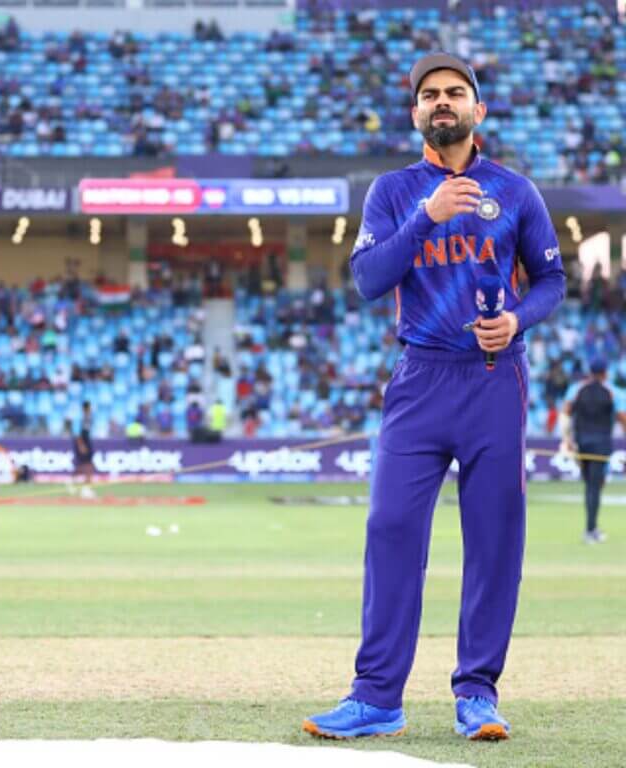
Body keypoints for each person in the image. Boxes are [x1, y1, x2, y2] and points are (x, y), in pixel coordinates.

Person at [303, 53, 565, 742]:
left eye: (454, 93)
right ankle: (376, 697)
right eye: (429, 95)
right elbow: (366, 278)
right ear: (415, 112)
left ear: (478, 110)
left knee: (494, 541)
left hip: (493, 377)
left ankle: (476, 694)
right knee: (390, 529)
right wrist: (425, 216)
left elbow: (551, 283)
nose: (441, 102)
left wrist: (516, 320)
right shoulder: (394, 192)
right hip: (419, 379)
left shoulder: (516, 191)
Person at [561, 357, 626, 543]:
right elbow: (622, 418)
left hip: (582, 444)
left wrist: (567, 439)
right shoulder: (613, 391)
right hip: (601, 445)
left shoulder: (576, 389)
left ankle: (591, 527)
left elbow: (565, 413)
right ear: (605, 372)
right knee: (595, 486)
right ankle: (590, 530)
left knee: (590, 484)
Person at [66, 401, 96, 499]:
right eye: (90, 408)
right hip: (81, 442)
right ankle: (86, 489)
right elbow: (77, 433)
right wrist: (81, 445)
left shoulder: (88, 418)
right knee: (88, 466)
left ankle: (72, 481)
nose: (91, 409)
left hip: (86, 441)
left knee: (84, 465)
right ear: (86, 408)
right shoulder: (80, 418)